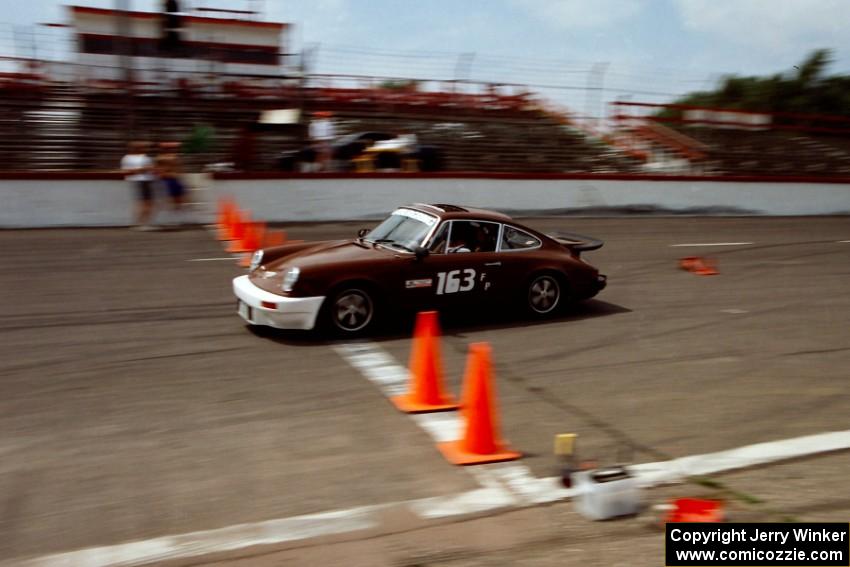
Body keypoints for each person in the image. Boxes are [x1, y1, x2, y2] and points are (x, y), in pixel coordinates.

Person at [121, 141, 157, 231]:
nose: (144, 149)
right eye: (141, 147)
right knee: (146, 203)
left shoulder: (145, 157)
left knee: (147, 203)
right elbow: (126, 172)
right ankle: (141, 224)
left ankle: (141, 224)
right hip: (140, 181)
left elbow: (151, 169)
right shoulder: (127, 158)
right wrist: (143, 169)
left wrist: (151, 170)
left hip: (147, 181)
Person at [155, 141, 187, 225]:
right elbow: (160, 172)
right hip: (167, 181)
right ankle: (168, 220)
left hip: (175, 180)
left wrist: (176, 174)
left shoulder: (174, 157)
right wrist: (169, 173)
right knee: (169, 201)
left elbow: (178, 170)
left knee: (179, 200)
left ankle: (175, 219)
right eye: (168, 148)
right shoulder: (160, 158)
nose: (171, 150)